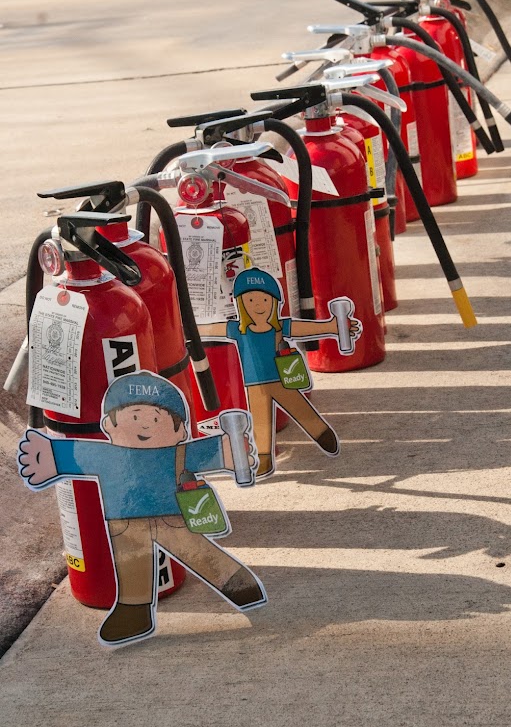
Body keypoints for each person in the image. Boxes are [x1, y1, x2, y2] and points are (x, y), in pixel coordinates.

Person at [17, 371, 266, 647]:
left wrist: (231, 451)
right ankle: (134, 614)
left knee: (199, 553)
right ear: (109, 425)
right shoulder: (105, 454)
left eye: (158, 418)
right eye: (134, 416)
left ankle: (239, 584)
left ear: (180, 431)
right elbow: (73, 454)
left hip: (172, 517)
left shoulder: (178, 452)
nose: (145, 425)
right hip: (125, 525)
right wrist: (47, 455)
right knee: (132, 568)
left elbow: (209, 452)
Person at [198, 267, 361, 477]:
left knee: (300, 407)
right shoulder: (237, 329)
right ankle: (263, 458)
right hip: (255, 385)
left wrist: (332, 327)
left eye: (265, 300)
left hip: (281, 378)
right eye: (251, 301)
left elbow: (304, 328)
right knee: (260, 421)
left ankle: (321, 433)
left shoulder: (279, 327)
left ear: (274, 303)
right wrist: (188, 330)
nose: (258, 306)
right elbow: (211, 329)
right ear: (240, 304)